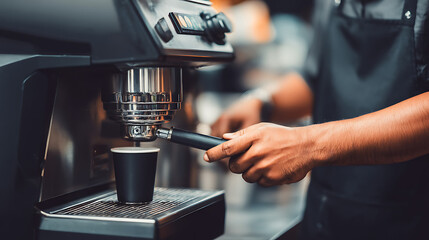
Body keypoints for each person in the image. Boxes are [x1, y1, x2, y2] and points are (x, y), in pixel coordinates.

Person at [205, 0, 429, 239]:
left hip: (410, 219)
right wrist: (263, 102)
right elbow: (316, 78)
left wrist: (309, 145)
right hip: (327, 216)